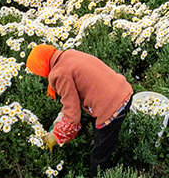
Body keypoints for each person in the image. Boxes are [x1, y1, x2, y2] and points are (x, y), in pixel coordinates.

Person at [26, 45, 133, 177]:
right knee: (101, 132)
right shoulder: (68, 55)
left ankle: (100, 174)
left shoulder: (59, 74)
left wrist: (56, 135)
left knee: (100, 153)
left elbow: (73, 117)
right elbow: (71, 100)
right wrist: (60, 119)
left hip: (111, 107)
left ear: (41, 68)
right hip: (124, 90)